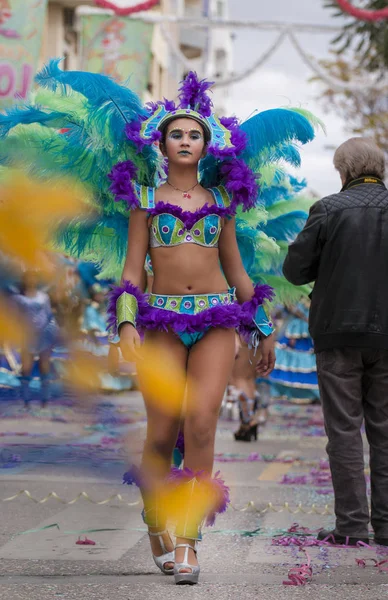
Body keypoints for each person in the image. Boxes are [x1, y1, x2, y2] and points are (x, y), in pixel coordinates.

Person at [0, 62, 318, 583]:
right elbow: (130, 272)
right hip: (161, 323)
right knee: (162, 427)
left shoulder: (221, 203)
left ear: (207, 144)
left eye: (195, 134)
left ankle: (189, 539)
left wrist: (260, 328)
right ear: (161, 144)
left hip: (217, 319)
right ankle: (155, 517)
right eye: (178, 135)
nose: (187, 141)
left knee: (202, 420)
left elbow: (239, 272)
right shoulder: (144, 202)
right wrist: (125, 325)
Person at [283, 137, 388, 547]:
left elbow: (295, 270)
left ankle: (352, 526)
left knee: (344, 432)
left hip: (337, 333)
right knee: (384, 431)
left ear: (342, 172)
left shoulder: (327, 209)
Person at [13, 270, 59, 408]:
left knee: (44, 367)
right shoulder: (18, 298)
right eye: (29, 278)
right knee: (26, 368)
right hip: (27, 335)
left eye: (34, 278)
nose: (32, 281)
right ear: (24, 280)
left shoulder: (43, 297)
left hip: (44, 334)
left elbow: (49, 315)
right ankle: (25, 399)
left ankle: (45, 399)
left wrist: (52, 331)